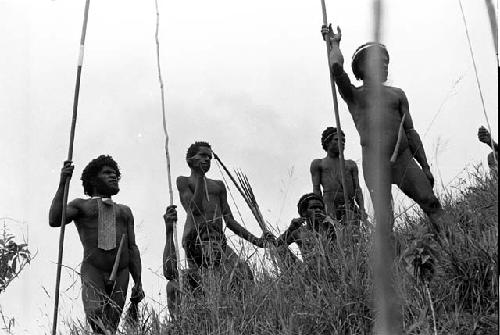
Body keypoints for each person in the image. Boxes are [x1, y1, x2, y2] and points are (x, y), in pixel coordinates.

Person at [322, 25, 444, 234]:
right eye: (380, 61)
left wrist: (424, 165)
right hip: (374, 162)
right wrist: (334, 44)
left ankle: (452, 243)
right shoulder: (355, 96)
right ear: (364, 67)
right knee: (385, 219)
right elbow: (336, 68)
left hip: (404, 158)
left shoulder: (397, 94)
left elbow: (411, 132)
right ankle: (392, 263)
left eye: (387, 62)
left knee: (430, 201)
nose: (385, 66)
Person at [163, 141, 270, 311]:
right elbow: (194, 209)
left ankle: (247, 310)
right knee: (202, 280)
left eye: (209, 157)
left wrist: (256, 241)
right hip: (195, 239)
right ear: (190, 160)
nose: (207, 159)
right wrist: (198, 178)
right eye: (202, 156)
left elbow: (230, 220)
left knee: (242, 269)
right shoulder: (183, 181)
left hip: (217, 239)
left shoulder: (218, 185)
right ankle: (203, 314)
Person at [49, 155, 144, 334]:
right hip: (94, 269)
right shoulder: (81, 206)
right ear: (93, 180)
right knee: (96, 314)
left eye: (115, 173)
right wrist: (63, 182)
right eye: (107, 173)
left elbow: (132, 248)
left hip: (121, 272)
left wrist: (138, 281)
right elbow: (54, 219)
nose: (114, 176)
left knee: (110, 325)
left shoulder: (124, 211)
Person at [310, 127, 367, 222]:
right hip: (329, 203)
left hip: (349, 204)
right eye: (337, 139)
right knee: (333, 232)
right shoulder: (318, 164)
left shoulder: (350, 164)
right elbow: (316, 190)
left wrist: (361, 209)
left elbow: (357, 189)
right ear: (327, 142)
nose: (342, 143)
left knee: (353, 232)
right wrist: (321, 210)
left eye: (344, 140)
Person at [274, 193, 338, 274]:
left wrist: (332, 225)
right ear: (304, 212)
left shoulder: (329, 227)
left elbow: (340, 248)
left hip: (332, 270)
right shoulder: (298, 232)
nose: (318, 210)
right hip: (309, 272)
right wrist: (291, 229)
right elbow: (277, 244)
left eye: (321, 208)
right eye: (313, 207)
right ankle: (294, 278)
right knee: (280, 249)